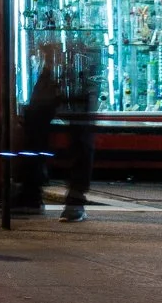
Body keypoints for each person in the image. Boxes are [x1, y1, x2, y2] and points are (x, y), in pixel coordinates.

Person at [13, 37, 98, 222]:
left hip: (80, 60)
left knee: (79, 127)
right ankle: (31, 192)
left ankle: (74, 198)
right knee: (34, 119)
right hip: (62, 61)